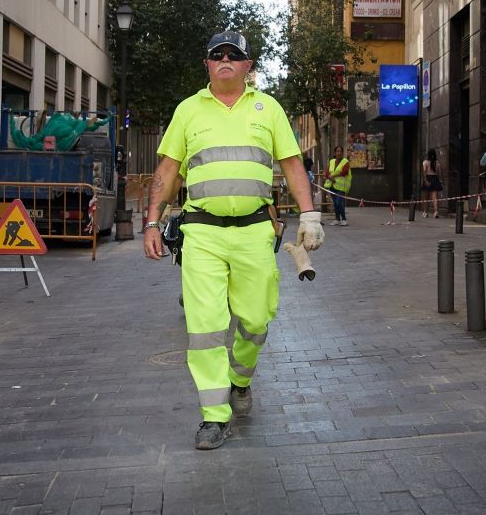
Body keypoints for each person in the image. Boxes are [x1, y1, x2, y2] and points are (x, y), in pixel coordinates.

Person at [143, 31, 324, 450]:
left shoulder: (268, 108)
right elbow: (167, 171)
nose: (225, 59)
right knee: (205, 326)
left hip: (255, 231)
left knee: (256, 319)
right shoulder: (188, 110)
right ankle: (214, 415)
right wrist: (152, 221)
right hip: (202, 233)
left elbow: (291, 164)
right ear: (207, 64)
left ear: (248, 65)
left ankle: (240, 379)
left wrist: (310, 215)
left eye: (234, 54)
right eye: (217, 54)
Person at [324, 146, 351, 226]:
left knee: (339, 202)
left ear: (342, 153)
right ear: (335, 153)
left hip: (341, 186)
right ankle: (337, 219)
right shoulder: (332, 161)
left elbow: (344, 172)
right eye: (337, 151)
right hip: (332, 186)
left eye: (340, 151)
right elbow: (326, 172)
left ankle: (344, 219)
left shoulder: (345, 162)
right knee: (335, 203)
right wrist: (329, 177)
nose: (339, 153)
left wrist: (333, 176)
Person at [421, 148, 443, 218]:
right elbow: (440, 173)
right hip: (435, 179)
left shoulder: (425, 162)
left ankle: (425, 212)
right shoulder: (437, 163)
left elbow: (424, 172)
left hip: (428, 179)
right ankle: (436, 212)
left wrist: (426, 181)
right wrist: (441, 181)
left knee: (426, 198)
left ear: (428, 154)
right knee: (435, 198)